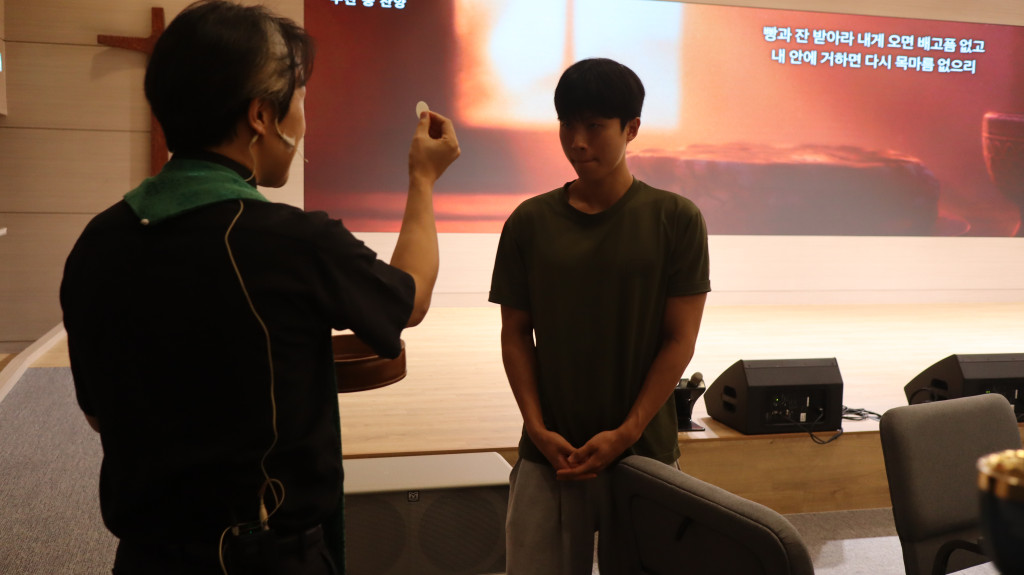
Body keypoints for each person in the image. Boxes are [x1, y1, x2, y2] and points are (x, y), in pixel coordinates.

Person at [59, 2, 460, 574]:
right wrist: (422, 179)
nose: (303, 121)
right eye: (300, 100)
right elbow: (410, 298)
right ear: (261, 115)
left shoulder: (98, 243)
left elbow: (100, 415)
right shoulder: (294, 243)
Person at [488, 57, 710, 574]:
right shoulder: (528, 222)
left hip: (644, 453)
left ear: (631, 128)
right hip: (550, 455)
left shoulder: (676, 219)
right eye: (567, 125)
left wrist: (627, 431)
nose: (578, 142)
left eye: (594, 126)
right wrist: (537, 429)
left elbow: (679, 339)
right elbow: (515, 335)